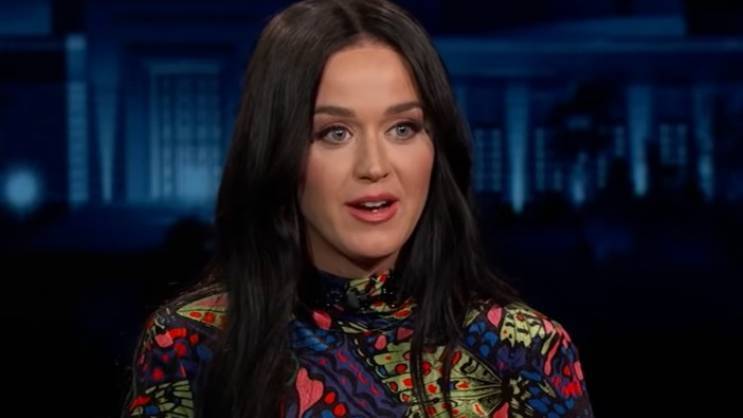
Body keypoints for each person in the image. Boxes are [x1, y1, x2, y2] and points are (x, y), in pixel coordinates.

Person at [122, 0, 594, 417]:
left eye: (403, 128)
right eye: (335, 133)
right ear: (277, 152)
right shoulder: (189, 342)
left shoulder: (526, 350)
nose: (374, 166)